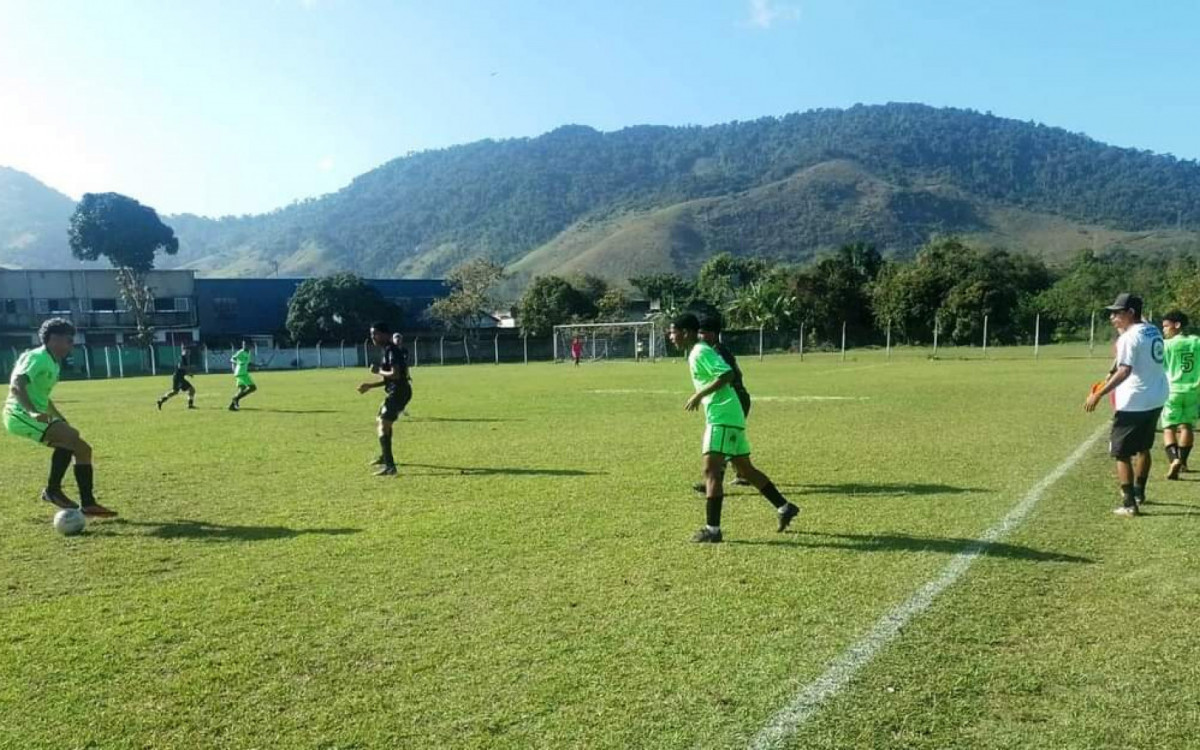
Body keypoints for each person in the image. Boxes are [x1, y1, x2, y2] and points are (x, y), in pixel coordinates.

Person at [669, 312, 799, 542]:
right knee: (745, 469)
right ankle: (784, 507)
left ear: (686, 332)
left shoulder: (700, 351)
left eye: (673, 331)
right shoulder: (697, 351)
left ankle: (713, 530)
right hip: (730, 415)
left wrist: (699, 394)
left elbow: (727, 374)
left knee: (711, 471)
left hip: (723, 417)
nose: (671, 336)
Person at [3, 318, 117, 516]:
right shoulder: (37, 357)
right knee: (70, 436)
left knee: (83, 449)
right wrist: (31, 411)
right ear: (53, 339)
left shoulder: (52, 363)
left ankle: (88, 504)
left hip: (35, 413)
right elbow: (16, 385)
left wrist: (60, 418)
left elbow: (44, 398)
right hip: (19, 414)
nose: (71, 345)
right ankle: (52, 490)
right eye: (68, 340)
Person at [1084, 294, 1168, 516]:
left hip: (1134, 401)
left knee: (1120, 453)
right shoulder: (1153, 329)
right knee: (1143, 447)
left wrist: (1099, 394)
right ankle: (1140, 492)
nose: (1112, 317)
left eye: (1117, 313)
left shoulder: (1129, 338)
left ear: (1130, 312)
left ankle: (1129, 503)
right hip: (1156, 396)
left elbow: (1125, 370)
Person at [691, 314, 751, 491]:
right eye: (699, 333)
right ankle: (742, 474)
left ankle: (713, 481)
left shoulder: (717, 351)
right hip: (731, 399)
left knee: (721, 442)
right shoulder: (713, 350)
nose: (701, 336)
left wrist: (700, 394)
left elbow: (727, 376)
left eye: (704, 333)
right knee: (729, 441)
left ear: (714, 334)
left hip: (735, 398)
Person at [358, 321, 411, 476]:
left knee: (383, 424)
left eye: (375, 333)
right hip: (397, 391)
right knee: (382, 421)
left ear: (385, 334)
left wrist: (378, 371)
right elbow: (391, 379)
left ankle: (390, 466)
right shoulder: (387, 350)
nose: (373, 337)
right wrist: (370, 386)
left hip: (399, 392)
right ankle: (385, 456)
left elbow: (395, 374)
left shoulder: (392, 351)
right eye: (371, 334)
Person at [1160, 310, 1200, 479]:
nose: (1164, 330)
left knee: (1169, 427)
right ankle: (1183, 462)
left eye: (1166, 326)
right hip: (1193, 390)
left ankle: (1174, 459)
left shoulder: (1167, 345)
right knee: (1187, 426)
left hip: (1173, 390)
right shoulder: (1196, 341)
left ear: (1177, 325)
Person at [228, 341, 257, 411]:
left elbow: (248, 363)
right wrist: (238, 362)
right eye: (243, 344)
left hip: (241, 373)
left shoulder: (248, 352)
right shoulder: (240, 352)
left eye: (245, 344)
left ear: (250, 346)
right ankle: (236, 399)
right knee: (253, 388)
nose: (244, 346)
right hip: (242, 373)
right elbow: (232, 359)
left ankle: (231, 406)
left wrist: (258, 365)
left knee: (242, 389)